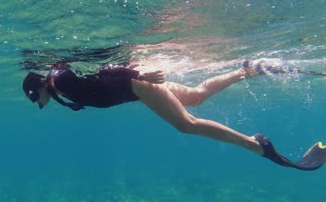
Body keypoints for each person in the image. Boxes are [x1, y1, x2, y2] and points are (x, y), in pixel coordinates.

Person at [22, 60, 326, 171]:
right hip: (136, 88)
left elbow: (106, 71)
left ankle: (259, 146)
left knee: (186, 125)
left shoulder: (59, 80)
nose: (43, 104)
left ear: (39, 90)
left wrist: (139, 73)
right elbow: (95, 74)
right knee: (195, 96)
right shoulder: (59, 84)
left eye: (39, 100)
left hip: (137, 86)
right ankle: (247, 70)